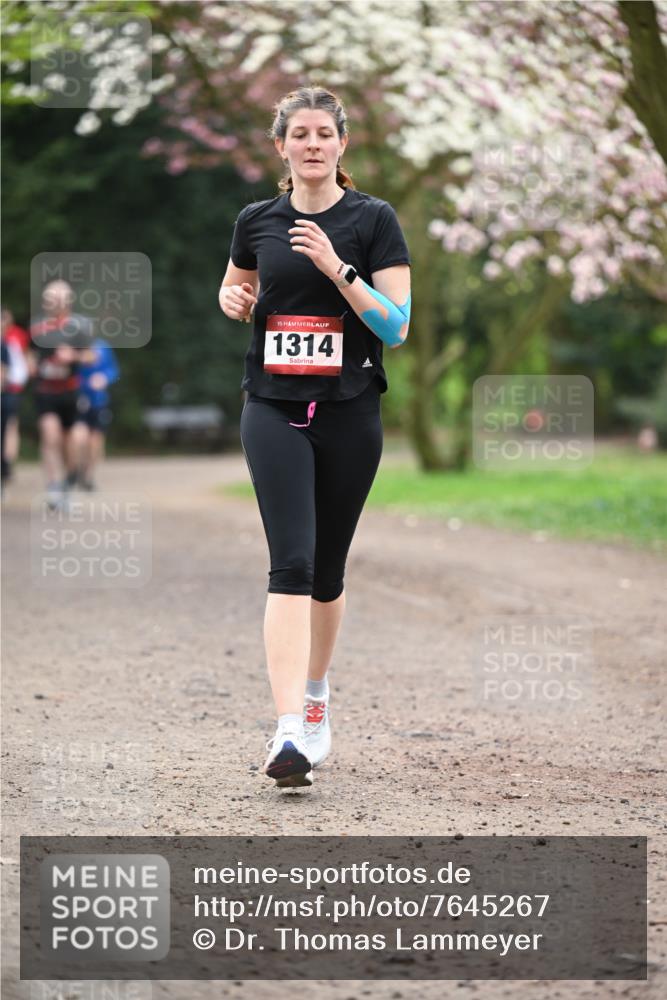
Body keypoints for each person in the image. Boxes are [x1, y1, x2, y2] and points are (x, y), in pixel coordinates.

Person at [218, 86, 411, 789]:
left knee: (327, 572)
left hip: (349, 408)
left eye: (322, 133)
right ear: (281, 146)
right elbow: (234, 288)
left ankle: (316, 694)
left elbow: (395, 326)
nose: (310, 144)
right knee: (290, 565)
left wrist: (339, 269)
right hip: (271, 404)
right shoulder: (257, 220)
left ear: (340, 144)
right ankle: (286, 732)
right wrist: (232, 300)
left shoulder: (373, 220)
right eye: (297, 133)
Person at [28, 280, 96, 509]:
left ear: (68, 301)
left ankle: (67, 483)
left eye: (58, 298)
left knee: (73, 442)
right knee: (50, 436)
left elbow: (91, 357)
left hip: (70, 392)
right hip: (46, 392)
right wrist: (31, 366)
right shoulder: (37, 327)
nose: (53, 302)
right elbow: (29, 356)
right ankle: (53, 485)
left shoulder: (78, 327)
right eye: (49, 298)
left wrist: (73, 357)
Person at [76, 338, 120, 490]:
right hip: (78, 400)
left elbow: (114, 370)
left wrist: (104, 378)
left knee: (96, 440)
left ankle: (88, 475)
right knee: (79, 438)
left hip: (99, 401)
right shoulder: (73, 348)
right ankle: (76, 468)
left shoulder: (103, 347)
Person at [1, 307, 30, 487]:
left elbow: (20, 371)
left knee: (8, 428)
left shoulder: (11, 344)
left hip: (8, 393)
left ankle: (6, 466)